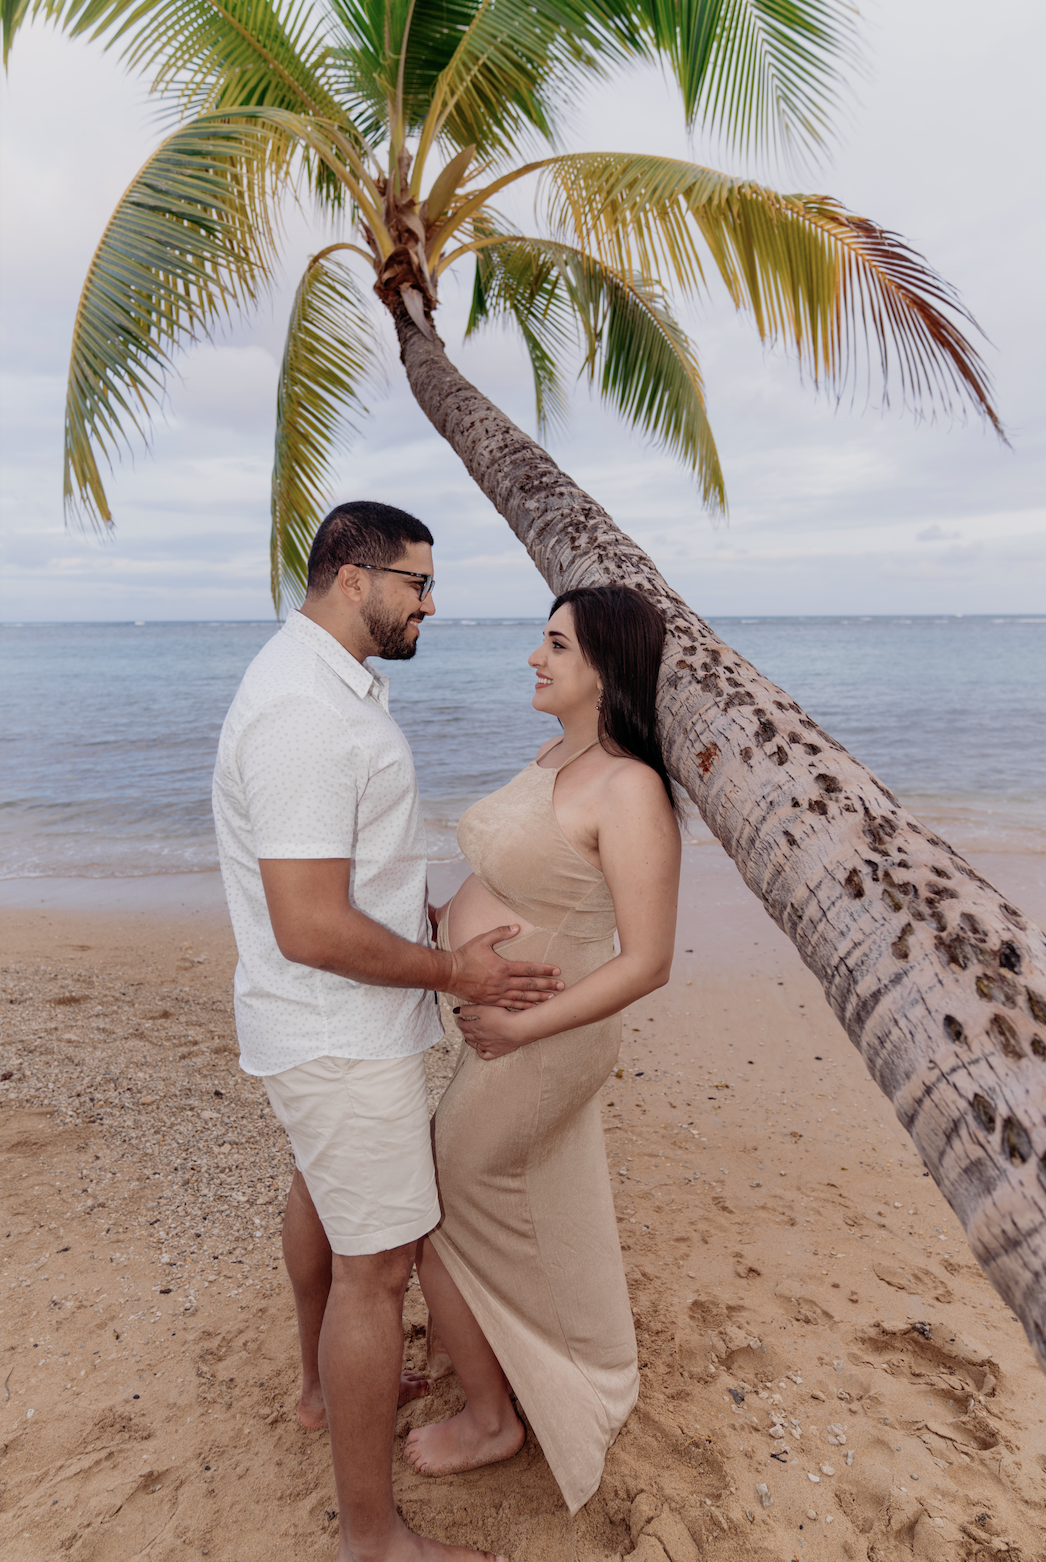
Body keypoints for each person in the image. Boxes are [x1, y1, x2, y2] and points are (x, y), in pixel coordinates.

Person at [212, 500, 564, 1562]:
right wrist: (456, 967)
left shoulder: (322, 686)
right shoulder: (304, 712)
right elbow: (310, 923)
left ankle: (321, 1387)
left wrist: (421, 918)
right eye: (418, 582)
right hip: (334, 1029)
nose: (432, 603)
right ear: (353, 578)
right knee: (381, 1268)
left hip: (326, 1019)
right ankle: (371, 1537)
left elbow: (340, 882)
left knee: (323, 1188)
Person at [403, 585, 682, 1515]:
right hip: (500, 1030)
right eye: (542, 641)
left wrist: (519, 1025)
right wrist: (437, 930)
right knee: (522, 1198)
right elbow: (514, 876)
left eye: (556, 645)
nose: (536, 657)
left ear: (606, 667)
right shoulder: (555, 754)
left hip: (544, 1040)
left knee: (437, 1202)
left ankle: (496, 1419)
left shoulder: (630, 788)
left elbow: (646, 962)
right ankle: (507, 1347)